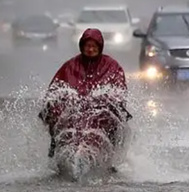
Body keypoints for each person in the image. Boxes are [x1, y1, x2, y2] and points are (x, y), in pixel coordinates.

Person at [39, 28, 129, 157]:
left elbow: (119, 90)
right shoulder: (70, 66)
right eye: (87, 46)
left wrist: (105, 101)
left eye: (93, 46)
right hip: (74, 113)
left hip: (99, 115)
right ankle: (57, 148)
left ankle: (111, 155)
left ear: (100, 46)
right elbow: (55, 89)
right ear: (82, 46)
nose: (90, 49)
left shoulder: (112, 66)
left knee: (114, 116)